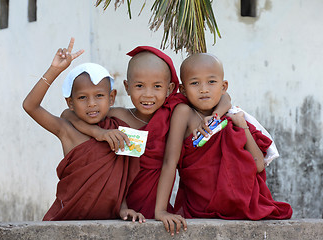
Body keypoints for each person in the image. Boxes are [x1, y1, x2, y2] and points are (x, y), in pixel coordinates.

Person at [61, 46, 233, 219]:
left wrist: (161, 211)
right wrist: (98, 132)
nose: (148, 95)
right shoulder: (119, 115)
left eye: (157, 86)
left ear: (169, 88)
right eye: (139, 86)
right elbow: (68, 115)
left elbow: (225, 97)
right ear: (127, 87)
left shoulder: (173, 112)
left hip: (155, 205)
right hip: (119, 206)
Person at [154, 53, 293, 235]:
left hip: (237, 204)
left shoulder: (231, 118)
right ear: (183, 90)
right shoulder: (184, 113)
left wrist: (240, 125)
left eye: (211, 82)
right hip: (200, 205)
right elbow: (169, 162)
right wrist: (161, 210)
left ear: (223, 85)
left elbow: (258, 165)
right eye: (195, 83)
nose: (204, 89)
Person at [22, 38, 143, 221]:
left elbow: (118, 182)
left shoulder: (119, 130)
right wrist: (54, 70)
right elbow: (30, 106)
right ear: (70, 102)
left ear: (111, 98)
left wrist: (123, 208)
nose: (92, 104)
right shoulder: (68, 131)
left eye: (99, 96)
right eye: (82, 98)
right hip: (67, 222)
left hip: (109, 223)